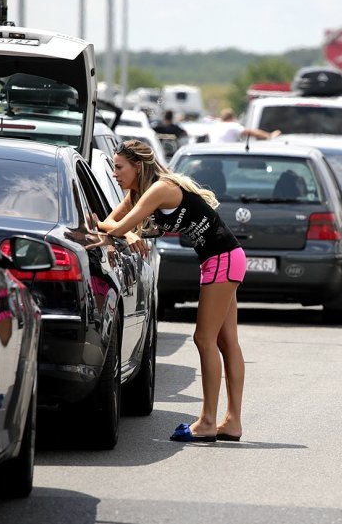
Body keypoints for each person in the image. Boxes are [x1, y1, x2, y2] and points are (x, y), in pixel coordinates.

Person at [94, 139, 247, 442]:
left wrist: (111, 232)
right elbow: (114, 222)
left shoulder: (160, 189)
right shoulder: (140, 193)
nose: (115, 173)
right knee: (226, 341)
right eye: (113, 167)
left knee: (205, 339)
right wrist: (116, 232)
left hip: (223, 260)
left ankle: (207, 422)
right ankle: (231, 423)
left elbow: (113, 227)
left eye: (119, 167)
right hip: (223, 259)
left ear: (137, 166)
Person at [211, 108, 280, 143]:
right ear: (232, 117)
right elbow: (250, 132)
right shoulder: (232, 125)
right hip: (226, 154)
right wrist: (269, 136)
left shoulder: (215, 126)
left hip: (215, 153)